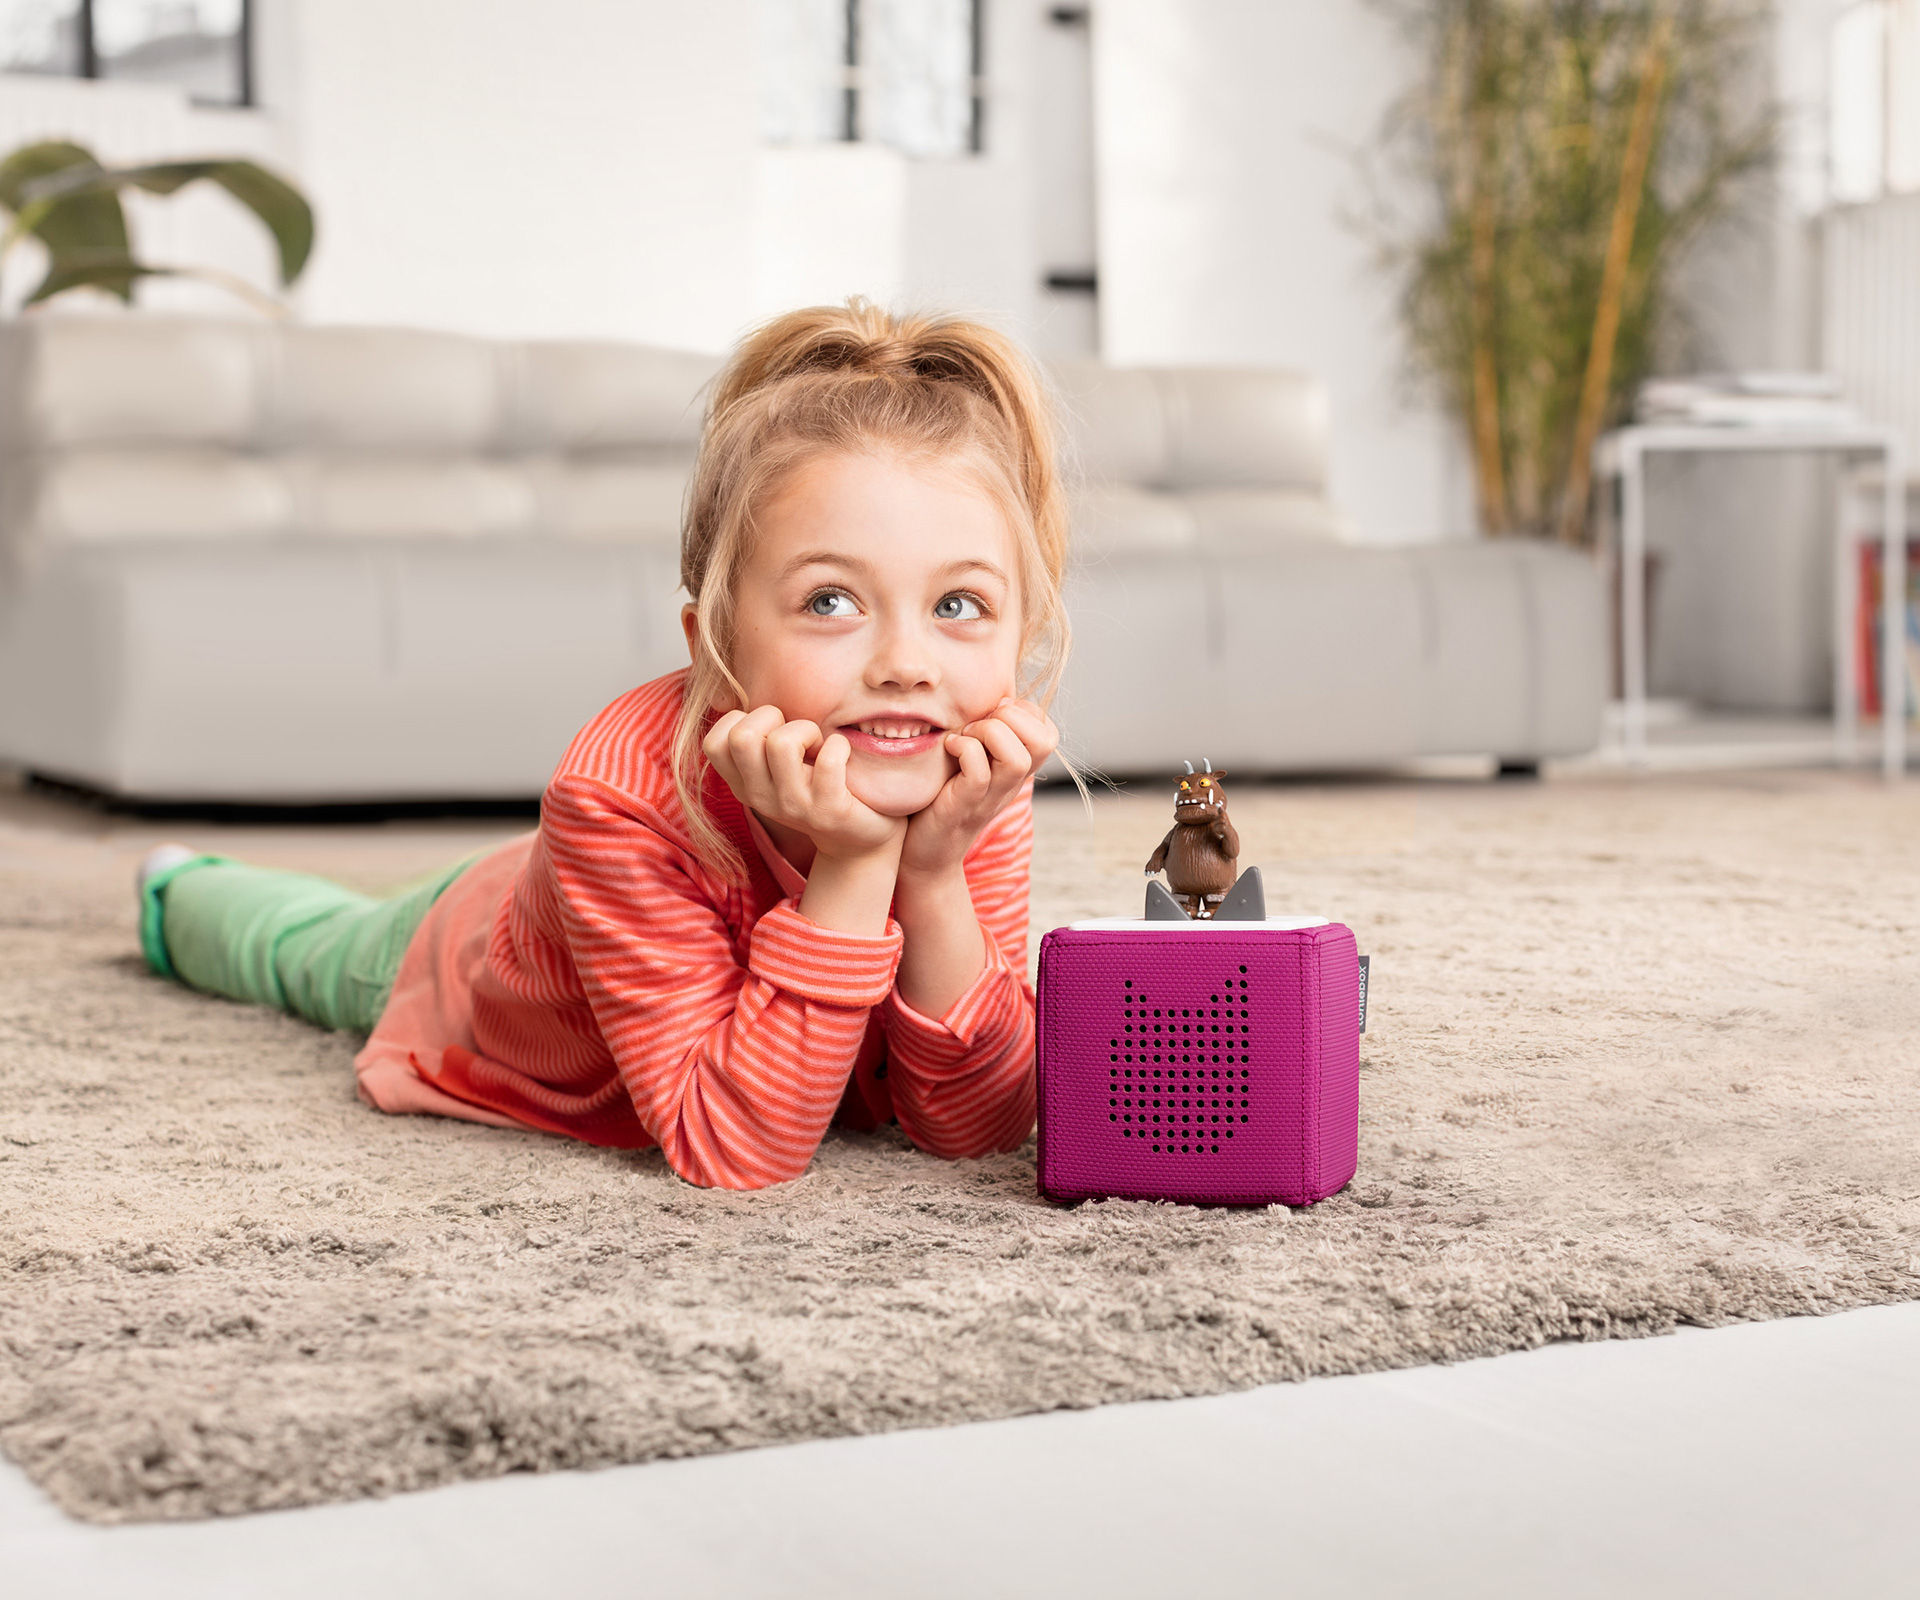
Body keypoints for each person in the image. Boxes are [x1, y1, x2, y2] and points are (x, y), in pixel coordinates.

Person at [135, 300, 1071, 1191]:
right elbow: (735, 1150)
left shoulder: (969, 773)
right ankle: (179, 889)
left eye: (960, 606)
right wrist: (860, 859)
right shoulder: (615, 794)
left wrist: (935, 878)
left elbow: (976, 1129)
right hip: (485, 952)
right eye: (831, 601)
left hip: (579, 884)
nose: (907, 665)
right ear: (715, 640)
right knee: (305, 948)